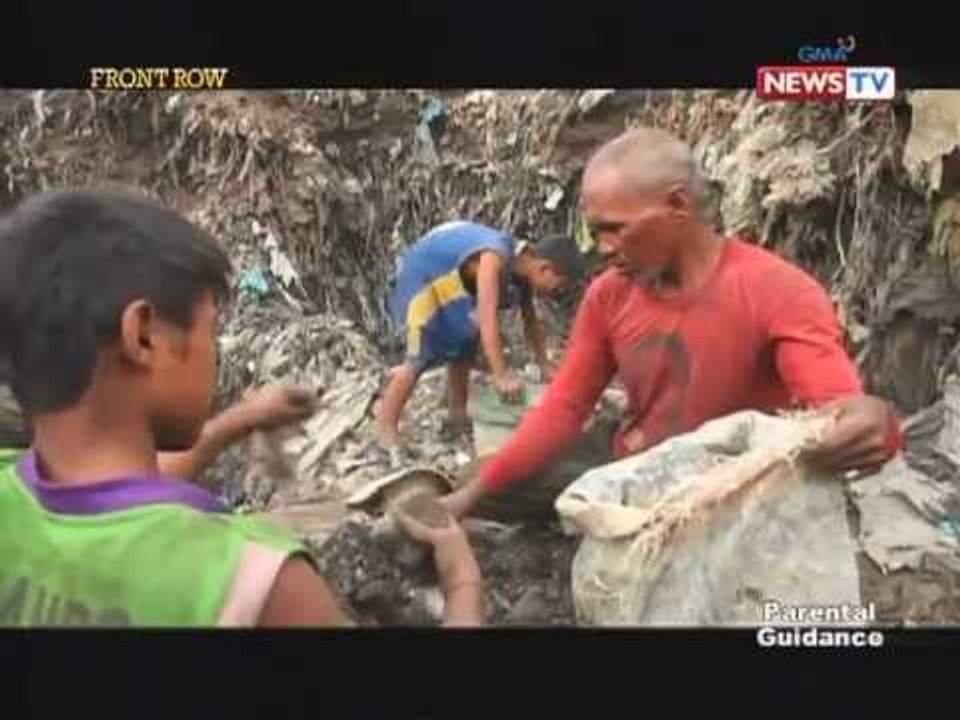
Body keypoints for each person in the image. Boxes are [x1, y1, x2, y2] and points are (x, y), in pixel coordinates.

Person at [0, 189, 483, 627]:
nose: (217, 350)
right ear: (143, 335)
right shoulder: (257, 583)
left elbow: (113, 496)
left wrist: (243, 419)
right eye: (212, 331)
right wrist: (463, 584)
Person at [443, 127, 904, 519]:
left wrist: (872, 423)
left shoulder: (776, 290)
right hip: (633, 466)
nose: (602, 248)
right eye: (595, 232)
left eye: (615, 229)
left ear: (678, 206)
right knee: (476, 478)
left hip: (725, 487)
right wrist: (469, 499)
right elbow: (565, 406)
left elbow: (840, 406)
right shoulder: (609, 295)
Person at [377, 221, 585, 454]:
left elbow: (531, 320)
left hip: (452, 280)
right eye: (561, 285)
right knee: (420, 355)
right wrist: (500, 375)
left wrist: (545, 363)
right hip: (423, 273)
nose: (559, 291)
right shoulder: (494, 256)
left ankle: (458, 416)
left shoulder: (521, 270)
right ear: (546, 269)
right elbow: (488, 316)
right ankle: (386, 427)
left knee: (464, 343)